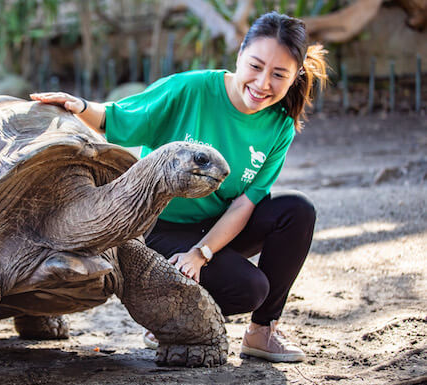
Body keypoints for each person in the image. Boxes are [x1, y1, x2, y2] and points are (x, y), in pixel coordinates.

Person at [30, 11, 328, 363]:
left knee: (296, 211)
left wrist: (201, 253)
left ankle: (262, 332)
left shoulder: (279, 125)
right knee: (249, 289)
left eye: (279, 74)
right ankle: (170, 318)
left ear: (294, 77)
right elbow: (117, 118)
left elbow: (245, 204)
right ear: (239, 55)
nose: (263, 83)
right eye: (256, 66)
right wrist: (78, 106)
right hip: (160, 227)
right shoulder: (190, 90)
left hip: (216, 227)